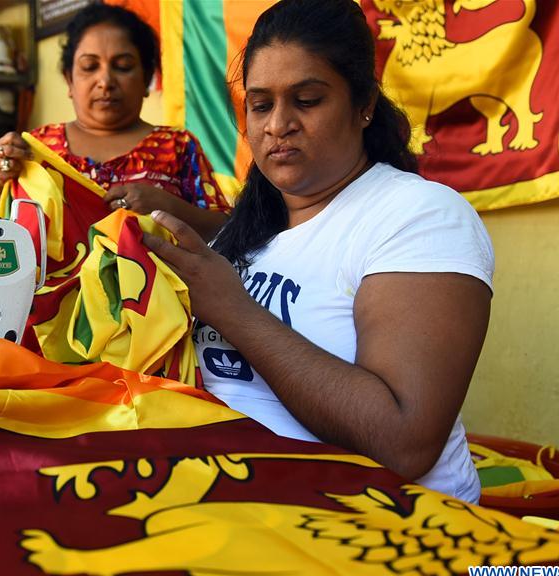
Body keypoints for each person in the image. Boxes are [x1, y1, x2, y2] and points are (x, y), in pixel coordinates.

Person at [144, 0, 494, 502]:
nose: (277, 124)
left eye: (306, 100)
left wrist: (231, 309)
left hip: (379, 524)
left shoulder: (420, 216)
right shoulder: (246, 231)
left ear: (364, 104)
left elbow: (403, 442)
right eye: (260, 105)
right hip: (236, 505)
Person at [0, 4, 231, 242]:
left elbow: (227, 232)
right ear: (69, 80)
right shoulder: (37, 148)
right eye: (89, 67)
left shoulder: (178, 146)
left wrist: (169, 207)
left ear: (146, 78)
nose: (105, 81)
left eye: (123, 66)